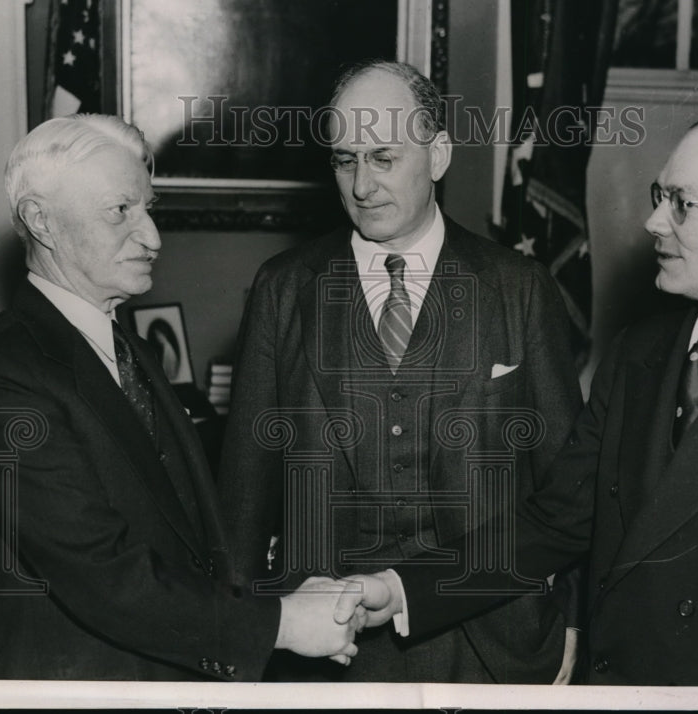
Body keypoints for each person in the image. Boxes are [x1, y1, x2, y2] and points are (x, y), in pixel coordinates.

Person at [336, 112, 698, 686]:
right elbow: (556, 522)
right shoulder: (636, 354)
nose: (652, 222)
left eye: (683, 204)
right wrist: (399, 590)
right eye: (657, 196)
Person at [0, 114, 364, 681]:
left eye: (148, 207)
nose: (153, 237)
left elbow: (185, 538)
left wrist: (287, 592)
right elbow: (101, 575)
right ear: (41, 220)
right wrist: (282, 623)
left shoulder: (129, 350)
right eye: (121, 211)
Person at [218, 61, 584, 682]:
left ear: (438, 155)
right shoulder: (284, 289)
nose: (362, 185)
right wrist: (242, 639)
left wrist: (572, 626)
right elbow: (244, 493)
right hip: (331, 648)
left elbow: (568, 484)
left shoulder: (519, 287)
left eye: (384, 157)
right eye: (344, 160)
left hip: (494, 640)